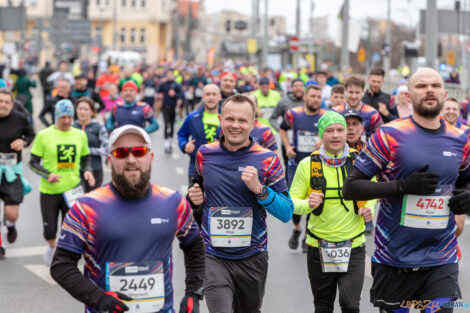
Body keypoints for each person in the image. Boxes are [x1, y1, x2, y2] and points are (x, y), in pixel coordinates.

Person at [343, 68, 470, 312]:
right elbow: (351, 187)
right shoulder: (389, 135)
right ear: (408, 96)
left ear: (444, 94)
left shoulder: (461, 138)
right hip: (394, 258)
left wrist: (467, 197)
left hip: (441, 257)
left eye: (435, 85)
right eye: (422, 86)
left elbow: (465, 178)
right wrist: (401, 186)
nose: (429, 89)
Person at [50, 125, 205, 313]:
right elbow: (61, 265)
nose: (131, 159)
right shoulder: (86, 207)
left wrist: (194, 292)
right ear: (110, 160)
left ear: (151, 158)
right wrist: (98, 298)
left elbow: (194, 246)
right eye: (121, 152)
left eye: (139, 151)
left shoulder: (173, 202)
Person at [188, 94, 294, 313]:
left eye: (242, 120)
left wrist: (260, 190)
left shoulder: (267, 159)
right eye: (229, 119)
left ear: (253, 123)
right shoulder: (204, 154)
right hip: (213, 255)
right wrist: (193, 200)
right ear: (220, 119)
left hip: (252, 258)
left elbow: (286, 212)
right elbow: (196, 194)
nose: (235, 125)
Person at [289, 111, 373, 313]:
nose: (335, 135)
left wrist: (368, 208)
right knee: (323, 306)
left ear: (346, 133)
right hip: (318, 246)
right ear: (321, 135)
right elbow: (292, 201)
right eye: (329, 131)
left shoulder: (360, 161)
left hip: (353, 245)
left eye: (340, 130)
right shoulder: (307, 165)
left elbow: (373, 187)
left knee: (350, 304)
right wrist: (307, 203)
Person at [29, 99, 95, 265]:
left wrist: (88, 170)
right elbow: (32, 162)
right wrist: (47, 174)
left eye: (69, 118)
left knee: (71, 228)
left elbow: (86, 158)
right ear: (56, 117)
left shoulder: (80, 135)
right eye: (62, 118)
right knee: (50, 230)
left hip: (72, 189)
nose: (66, 121)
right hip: (50, 190)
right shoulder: (44, 135)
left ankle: (65, 257)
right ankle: (51, 247)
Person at [279, 85, 326, 252]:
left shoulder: (324, 116)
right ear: (305, 97)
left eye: (318, 97)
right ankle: (297, 228)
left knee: (314, 200)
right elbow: (282, 128)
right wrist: (287, 147)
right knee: (295, 201)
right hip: (296, 164)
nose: (315, 100)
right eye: (312, 96)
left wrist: (323, 142)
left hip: (317, 165)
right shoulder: (294, 113)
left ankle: (308, 235)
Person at [0, 89, 35, 259]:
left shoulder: (20, 119)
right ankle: (1, 245)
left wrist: (23, 141)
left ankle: (10, 224)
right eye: (0, 101)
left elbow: (31, 133)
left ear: (12, 104)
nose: (3, 105)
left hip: (12, 170)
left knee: (11, 212)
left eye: (6, 102)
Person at [178, 84, 221, 186]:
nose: (211, 97)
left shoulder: (228, 117)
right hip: (195, 170)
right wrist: (184, 145)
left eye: (214, 94)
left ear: (219, 97)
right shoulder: (192, 117)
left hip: (220, 171)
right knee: (194, 201)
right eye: (207, 94)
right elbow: (181, 135)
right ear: (203, 97)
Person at [73, 97, 109, 192]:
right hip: (74, 171)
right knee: (77, 202)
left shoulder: (98, 128)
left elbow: (107, 149)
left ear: (92, 112)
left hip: (95, 169)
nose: (82, 112)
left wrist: (87, 150)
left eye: (85, 109)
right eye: (80, 109)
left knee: (91, 202)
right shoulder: (72, 128)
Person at [333, 75, 383, 140]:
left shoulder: (373, 113)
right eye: (351, 92)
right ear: (345, 91)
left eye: (357, 93)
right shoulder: (335, 112)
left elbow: (381, 138)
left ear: (363, 92)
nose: (354, 96)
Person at [157, 71, 184, 154]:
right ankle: (166, 145)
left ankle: (170, 142)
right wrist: (159, 94)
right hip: (165, 107)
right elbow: (158, 90)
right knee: (166, 125)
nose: (169, 76)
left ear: (173, 76)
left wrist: (174, 95)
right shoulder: (164, 84)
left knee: (172, 125)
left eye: (171, 75)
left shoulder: (177, 85)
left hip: (173, 107)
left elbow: (182, 95)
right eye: (168, 75)